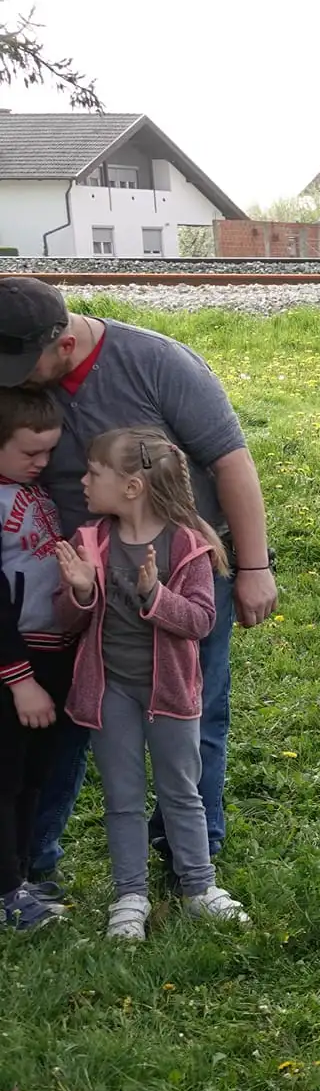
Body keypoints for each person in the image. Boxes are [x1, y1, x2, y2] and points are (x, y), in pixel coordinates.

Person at [0, 276, 278, 895]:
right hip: (84, 584)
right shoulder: (16, 370)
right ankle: (33, 859)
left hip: (178, 569)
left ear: (64, 345)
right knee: (75, 715)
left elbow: (231, 461)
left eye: (22, 367)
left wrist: (254, 568)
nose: (12, 381)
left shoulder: (154, 362)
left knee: (195, 710)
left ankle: (191, 863)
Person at [53, 428, 251, 940]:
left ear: (132, 487)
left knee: (182, 792)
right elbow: (69, 623)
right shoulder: (90, 543)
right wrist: (79, 592)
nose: (83, 481)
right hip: (110, 692)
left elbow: (202, 620)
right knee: (122, 796)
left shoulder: (187, 544)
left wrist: (155, 596)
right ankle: (130, 897)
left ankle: (200, 888)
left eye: (94, 473)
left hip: (171, 693)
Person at [0, 388, 75, 931]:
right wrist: (20, 678)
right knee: (3, 779)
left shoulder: (32, 488)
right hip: (12, 663)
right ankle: (5, 893)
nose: (42, 462)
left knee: (31, 778)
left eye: (49, 451)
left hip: (50, 656)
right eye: (30, 452)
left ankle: (20, 875)